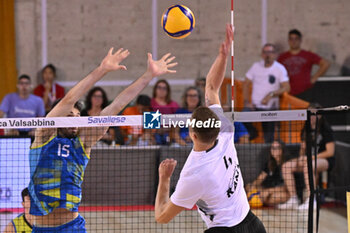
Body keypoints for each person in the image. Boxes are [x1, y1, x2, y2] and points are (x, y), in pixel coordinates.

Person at [28, 47, 177, 233]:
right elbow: (68, 99)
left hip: (72, 227)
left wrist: (149, 75)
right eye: (69, 116)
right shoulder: (43, 138)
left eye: (77, 116)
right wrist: (102, 69)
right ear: (58, 118)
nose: (75, 120)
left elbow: (116, 106)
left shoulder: (82, 143)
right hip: (42, 229)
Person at [155, 24, 266, 233]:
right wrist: (224, 56)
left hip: (223, 229)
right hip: (252, 224)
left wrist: (164, 178)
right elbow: (212, 87)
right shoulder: (226, 129)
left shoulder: (193, 173)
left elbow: (161, 216)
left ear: (192, 134)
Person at [279, 103, 335, 210]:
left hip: (325, 160)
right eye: (309, 114)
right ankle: (293, 198)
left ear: (320, 115)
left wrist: (311, 158)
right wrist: (301, 157)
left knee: (309, 166)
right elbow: (303, 147)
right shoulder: (306, 128)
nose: (311, 117)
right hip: (309, 159)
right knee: (286, 166)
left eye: (314, 114)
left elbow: (330, 152)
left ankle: (311, 200)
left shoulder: (325, 129)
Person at [243, 43, 290, 143]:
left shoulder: (279, 69)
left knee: (268, 137)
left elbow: (286, 87)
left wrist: (271, 94)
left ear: (275, 54)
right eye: (265, 52)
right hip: (254, 105)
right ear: (262, 54)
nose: (267, 55)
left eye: (270, 52)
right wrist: (246, 101)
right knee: (241, 117)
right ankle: (253, 133)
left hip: (270, 107)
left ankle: (268, 154)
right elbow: (246, 83)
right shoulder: (256, 66)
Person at [278, 29, 330, 99]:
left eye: (296, 39)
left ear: (300, 40)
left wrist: (314, 78)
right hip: (288, 93)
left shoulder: (308, 55)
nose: (293, 41)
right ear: (288, 41)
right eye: (291, 39)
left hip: (305, 91)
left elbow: (325, 64)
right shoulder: (282, 57)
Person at [245, 141, 289, 206]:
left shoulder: (286, 164)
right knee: (248, 186)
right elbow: (260, 178)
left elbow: (286, 187)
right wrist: (253, 185)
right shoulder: (270, 163)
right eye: (272, 148)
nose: (274, 150)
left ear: (282, 150)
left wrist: (268, 191)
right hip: (268, 188)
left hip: (282, 191)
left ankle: (270, 201)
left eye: (277, 148)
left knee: (274, 197)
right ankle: (263, 199)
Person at [151, 79, 179, 144]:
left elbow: (177, 121)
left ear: (168, 91)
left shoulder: (173, 104)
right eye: (159, 87)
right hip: (154, 134)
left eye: (164, 88)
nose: (161, 90)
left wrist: (169, 130)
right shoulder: (150, 103)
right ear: (155, 89)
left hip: (169, 133)